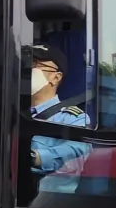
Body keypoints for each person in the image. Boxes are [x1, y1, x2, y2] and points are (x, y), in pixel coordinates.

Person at [27, 43, 91, 193]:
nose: (28, 69)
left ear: (55, 77)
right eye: (27, 62)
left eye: (35, 64)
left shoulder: (75, 118)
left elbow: (73, 154)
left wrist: (31, 156)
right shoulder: (12, 111)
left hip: (49, 203)